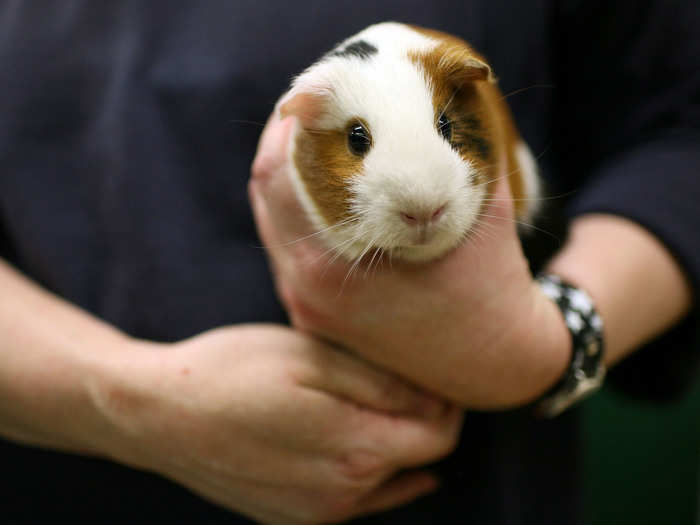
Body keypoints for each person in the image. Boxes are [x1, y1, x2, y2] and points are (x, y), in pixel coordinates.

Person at [0, 2, 698, 523]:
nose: (420, 200)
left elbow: (680, 127)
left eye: (448, 130)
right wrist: (120, 399)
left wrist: (550, 334)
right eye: (357, 140)